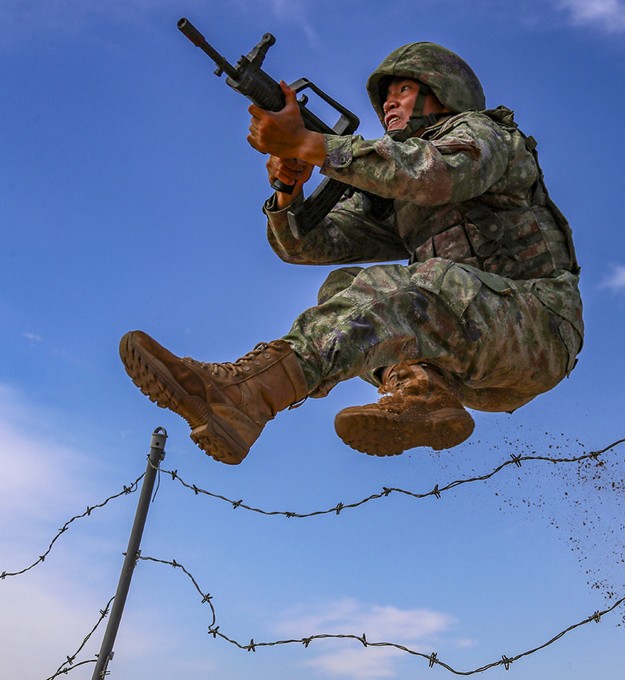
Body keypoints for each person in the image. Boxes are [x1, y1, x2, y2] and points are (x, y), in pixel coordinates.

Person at [120, 42, 582, 464]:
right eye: (387, 96)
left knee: (418, 283)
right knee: (341, 287)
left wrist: (309, 143)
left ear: (444, 94)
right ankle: (423, 395)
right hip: (473, 360)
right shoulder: (398, 195)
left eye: (404, 90)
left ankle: (246, 397)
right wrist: (288, 187)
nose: (389, 103)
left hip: (539, 329)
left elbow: (436, 175)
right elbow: (304, 246)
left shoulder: (485, 132)